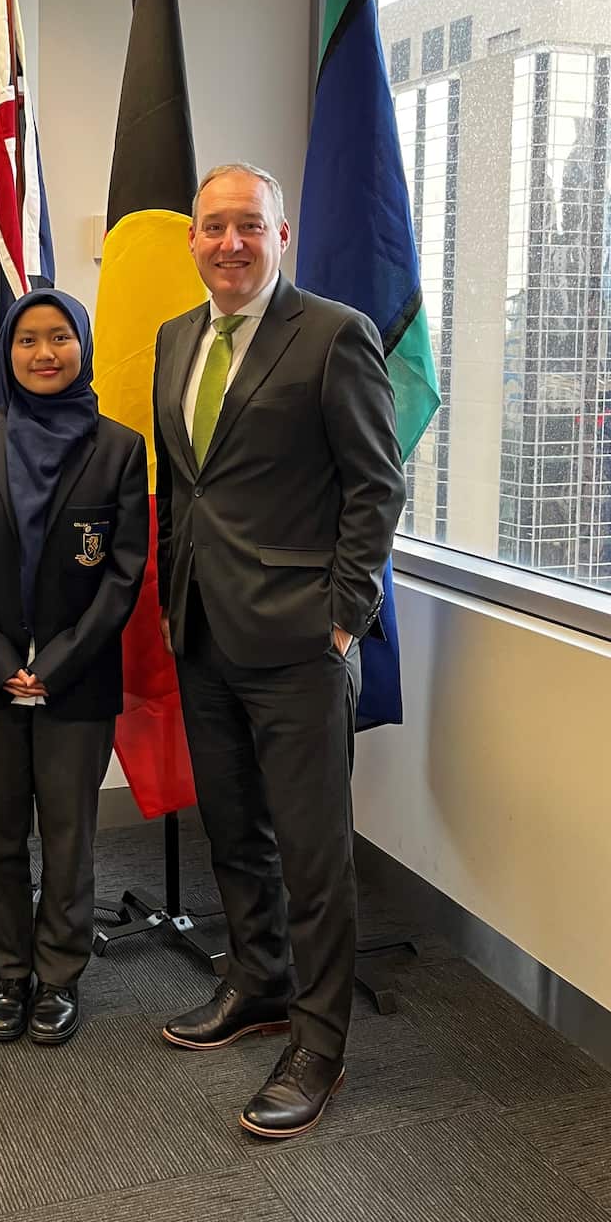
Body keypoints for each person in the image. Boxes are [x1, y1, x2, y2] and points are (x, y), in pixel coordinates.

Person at [152, 162, 405, 1137]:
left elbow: (372, 489)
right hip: (203, 632)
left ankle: (319, 1041)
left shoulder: (334, 336)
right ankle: (254, 982)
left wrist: (339, 619)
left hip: (299, 641)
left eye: (247, 226)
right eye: (212, 226)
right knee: (233, 833)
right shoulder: (177, 337)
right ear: (191, 238)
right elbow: (188, 487)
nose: (229, 242)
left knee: (311, 852)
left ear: (280, 235)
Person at [0, 290, 148, 1045]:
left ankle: (58, 976)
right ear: (8, 352)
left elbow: (123, 573)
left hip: (76, 677)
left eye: (60, 337)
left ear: (82, 345)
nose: (45, 352)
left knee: (68, 832)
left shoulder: (120, 447)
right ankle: (9, 972)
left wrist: (53, 662)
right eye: (28, 339)